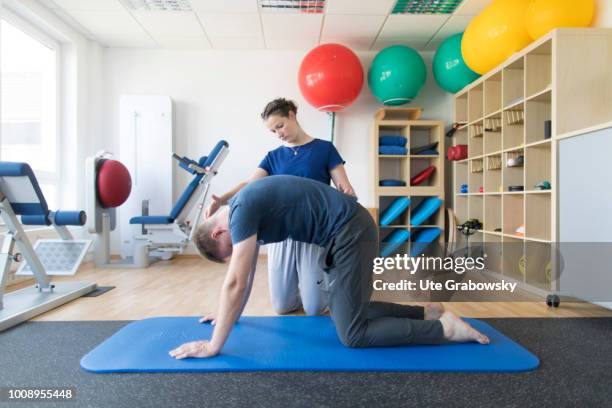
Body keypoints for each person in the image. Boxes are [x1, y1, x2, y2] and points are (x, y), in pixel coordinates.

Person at [169, 176, 489, 359]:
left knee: (353, 334)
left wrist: (214, 346)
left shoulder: (241, 210)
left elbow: (236, 281)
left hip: (350, 230)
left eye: (228, 251)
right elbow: (246, 276)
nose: (235, 253)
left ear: (218, 233)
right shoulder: (243, 208)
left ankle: (445, 330)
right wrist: (228, 314)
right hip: (345, 232)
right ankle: (428, 313)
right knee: (344, 311)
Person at [204, 98, 356, 317]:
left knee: (315, 308)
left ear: (292, 115)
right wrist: (223, 199)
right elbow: (249, 185)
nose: (278, 134)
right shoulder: (273, 157)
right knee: (282, 306)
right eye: (273, 131)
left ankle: (328, 286)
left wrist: (348, 194)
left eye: (280, 126)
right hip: (280, 235)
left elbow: (345, 186)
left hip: (312, 232)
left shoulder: (325, 149)